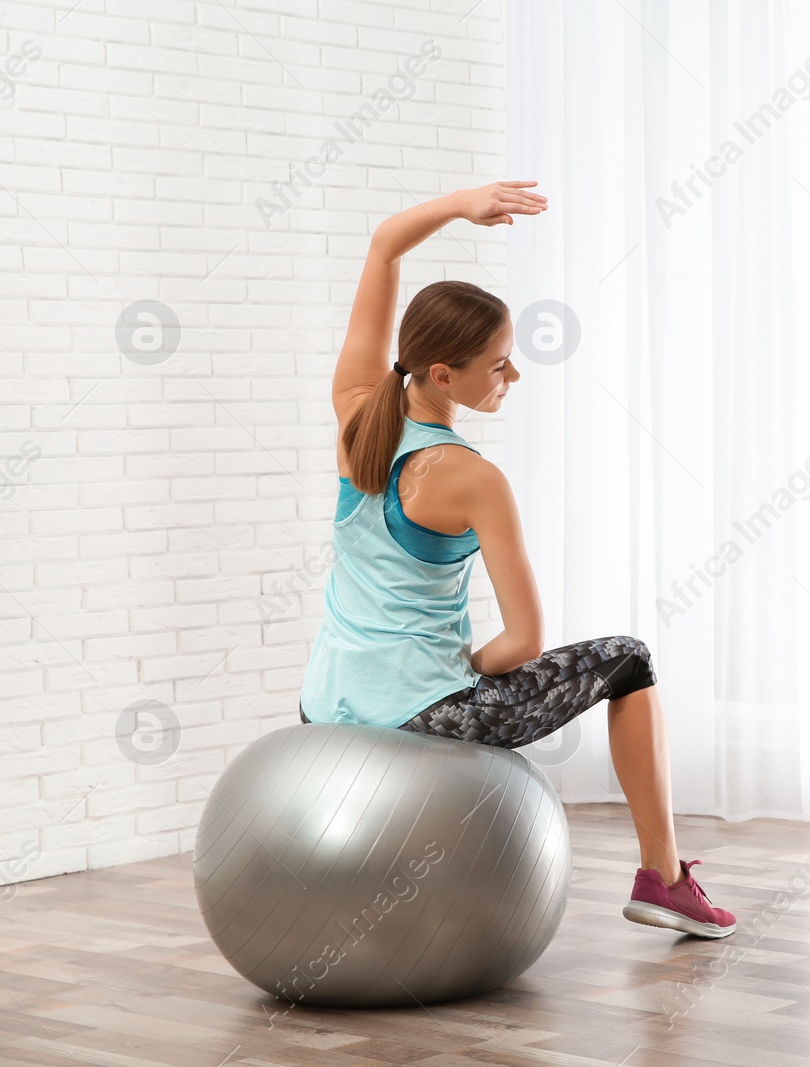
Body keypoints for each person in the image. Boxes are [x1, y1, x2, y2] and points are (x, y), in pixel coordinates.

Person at [298, 181, 734, 939]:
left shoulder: (355, 412)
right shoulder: (473, 478)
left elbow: (383, 244)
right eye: (499, 365)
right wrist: (461, 661)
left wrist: (462, 205)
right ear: (442, 374)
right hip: (428, 713)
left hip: (324, 702)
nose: (513, 377)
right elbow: (524, 642)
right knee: (629, 658)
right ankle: (663, 879)